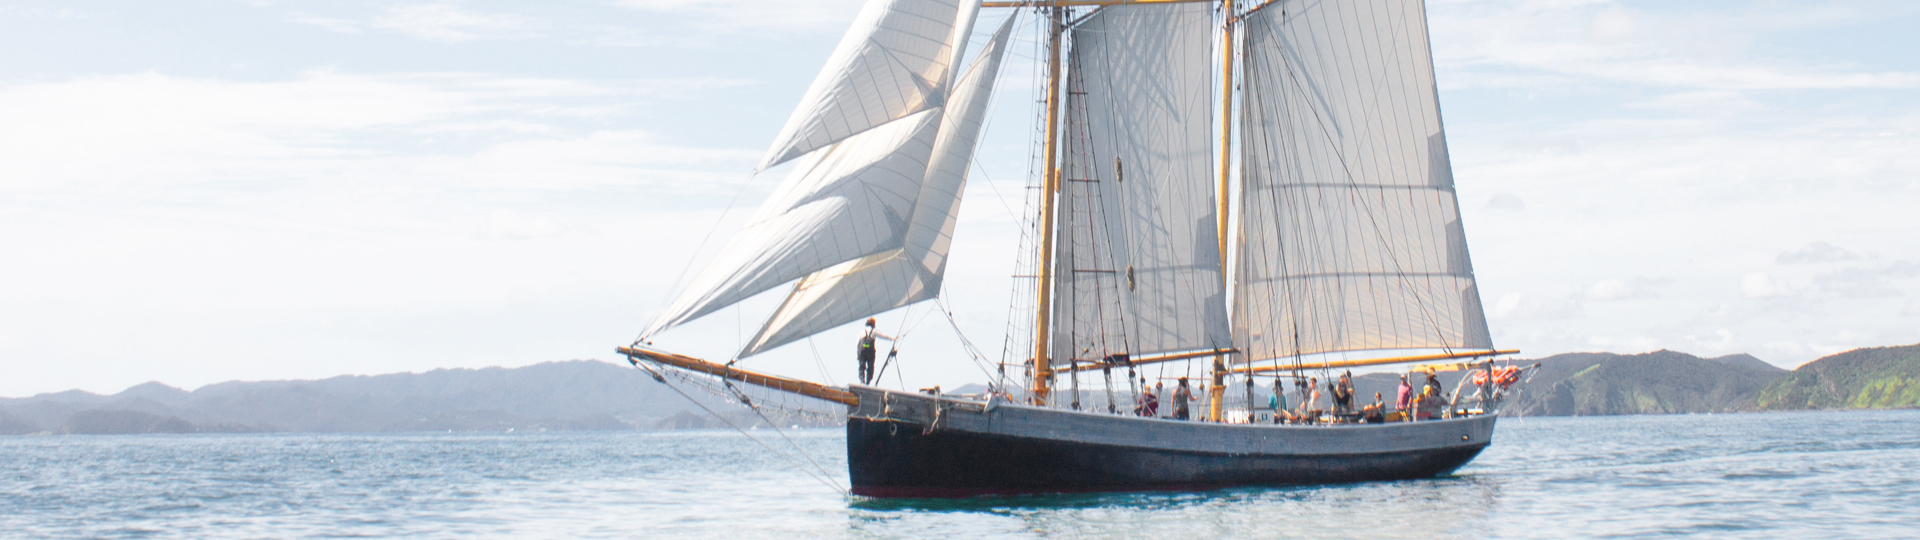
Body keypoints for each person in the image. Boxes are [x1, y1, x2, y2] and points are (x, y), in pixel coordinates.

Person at [856, 318, 894, 385]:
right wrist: (892, 339)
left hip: (862, 350)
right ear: (873, 324)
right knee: (870, 366)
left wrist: (858, 354)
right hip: (870, 351)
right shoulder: (874, 331)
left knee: (861, 365)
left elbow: (857, 343)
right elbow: (883, 336)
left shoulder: (862, 332)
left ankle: (862, 380)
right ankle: (868, 382)